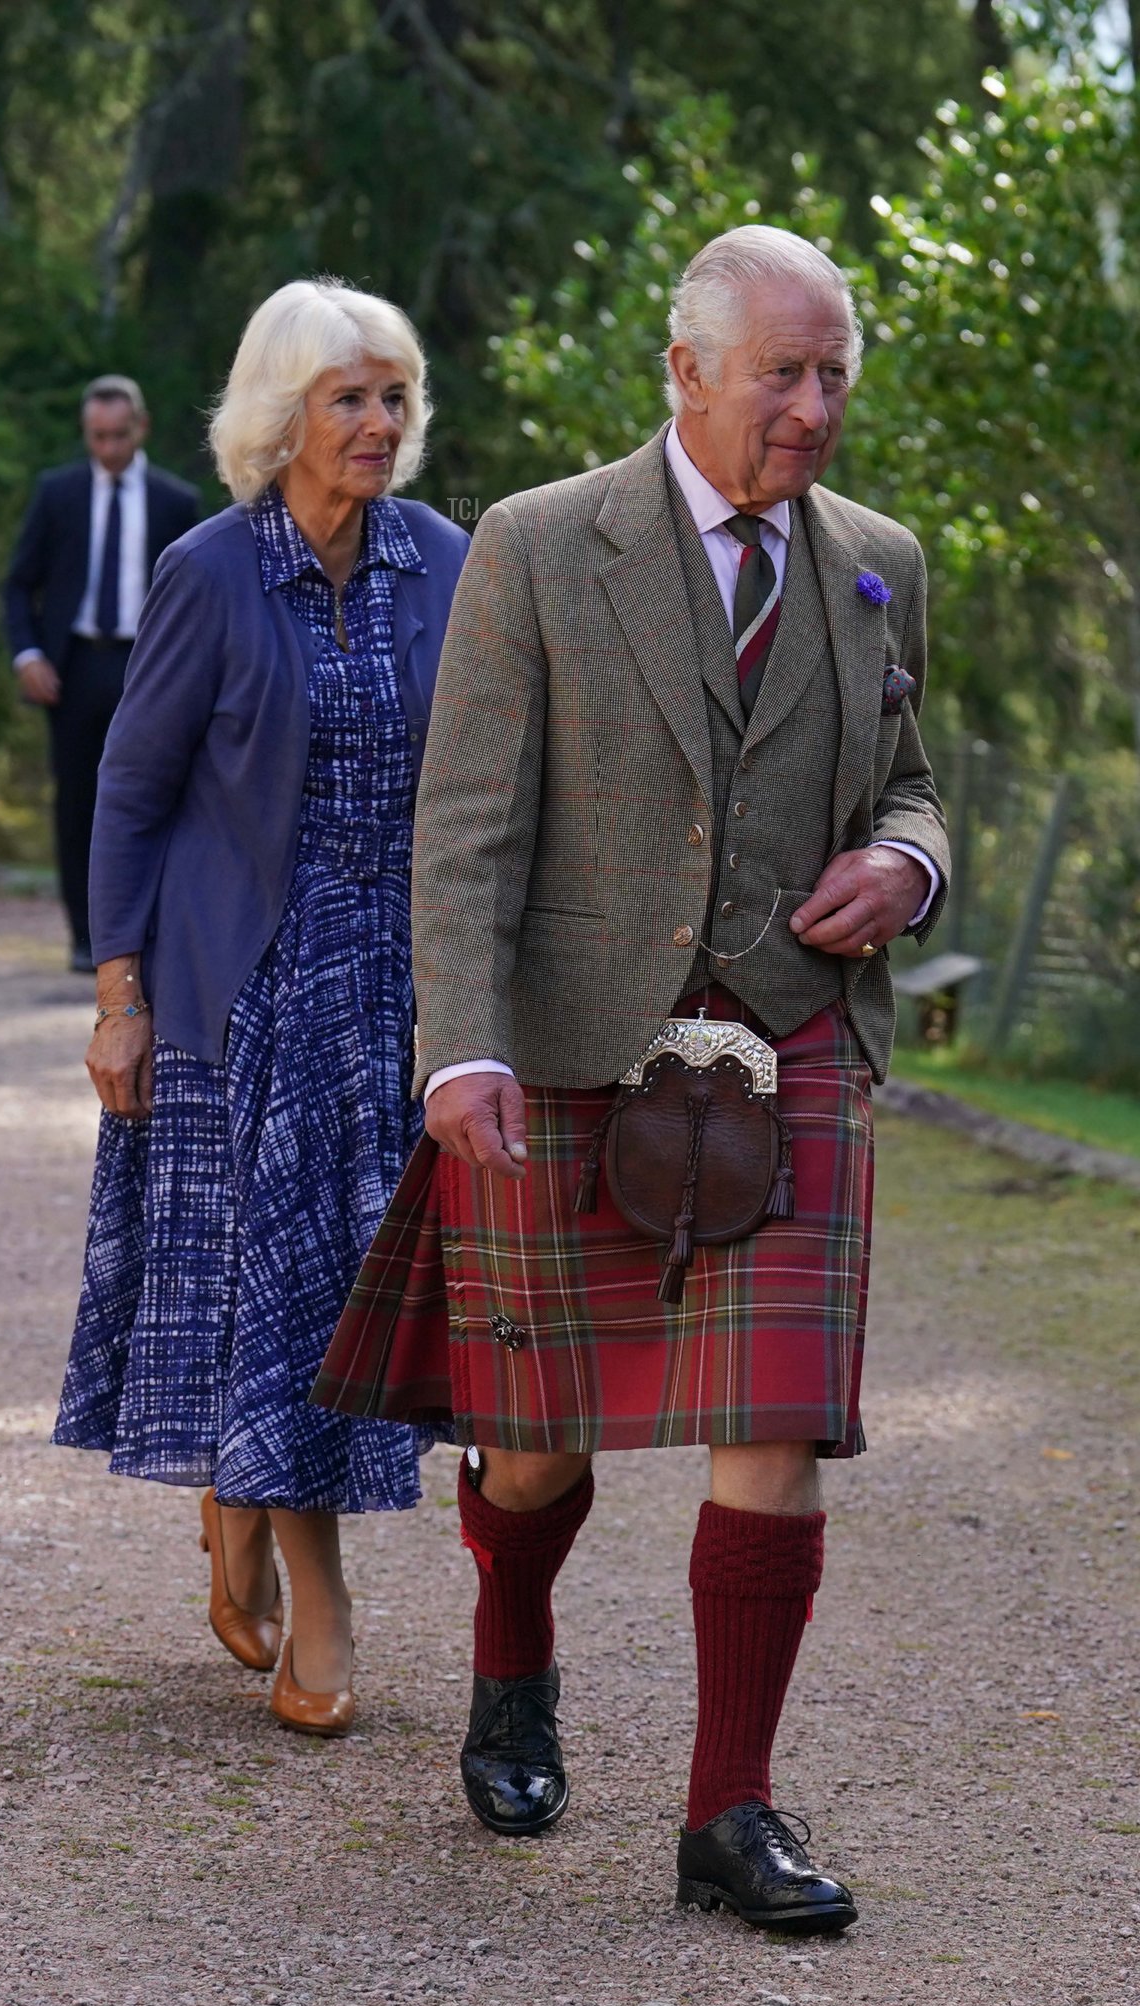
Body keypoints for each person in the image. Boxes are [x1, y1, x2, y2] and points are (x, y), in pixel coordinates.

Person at [313, 227, 949, 1917]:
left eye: (835, 376)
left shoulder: (877, 559)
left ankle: (727, 1808)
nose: (814, 409)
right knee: (533, 1443)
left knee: (774, 1422)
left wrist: (908, 867)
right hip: (572, 1047)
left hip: (789, 1039)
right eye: (782, 374)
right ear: (686, 371)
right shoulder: (537, 543)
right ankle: (512, 1645)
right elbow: (463, 827)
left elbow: (911, 783)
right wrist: (460, 1048)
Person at [53, 280, 469, 1733]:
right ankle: (325, 1598)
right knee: (296, 1296)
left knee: (350, 1296)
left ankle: (244, 1489)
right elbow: (132, 784)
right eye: (349, 396)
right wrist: (120, 996)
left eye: (395, 395)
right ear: (281, 414)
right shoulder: (212, 571)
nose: (379, 422)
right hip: (244, 982)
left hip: (394, 999)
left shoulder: (445, 562)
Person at [2, 377, 199, 970]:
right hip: (74, 666)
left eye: (118, 435)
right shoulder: (57, 493)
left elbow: (196, 597)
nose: (108, 448)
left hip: (149, 669)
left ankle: (148, 928)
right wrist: (28, 655)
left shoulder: (175, 501)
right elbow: (17, 585)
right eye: (97, 438)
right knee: (77, 801)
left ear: (139, 428)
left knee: (158, 796)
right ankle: (85, 937)